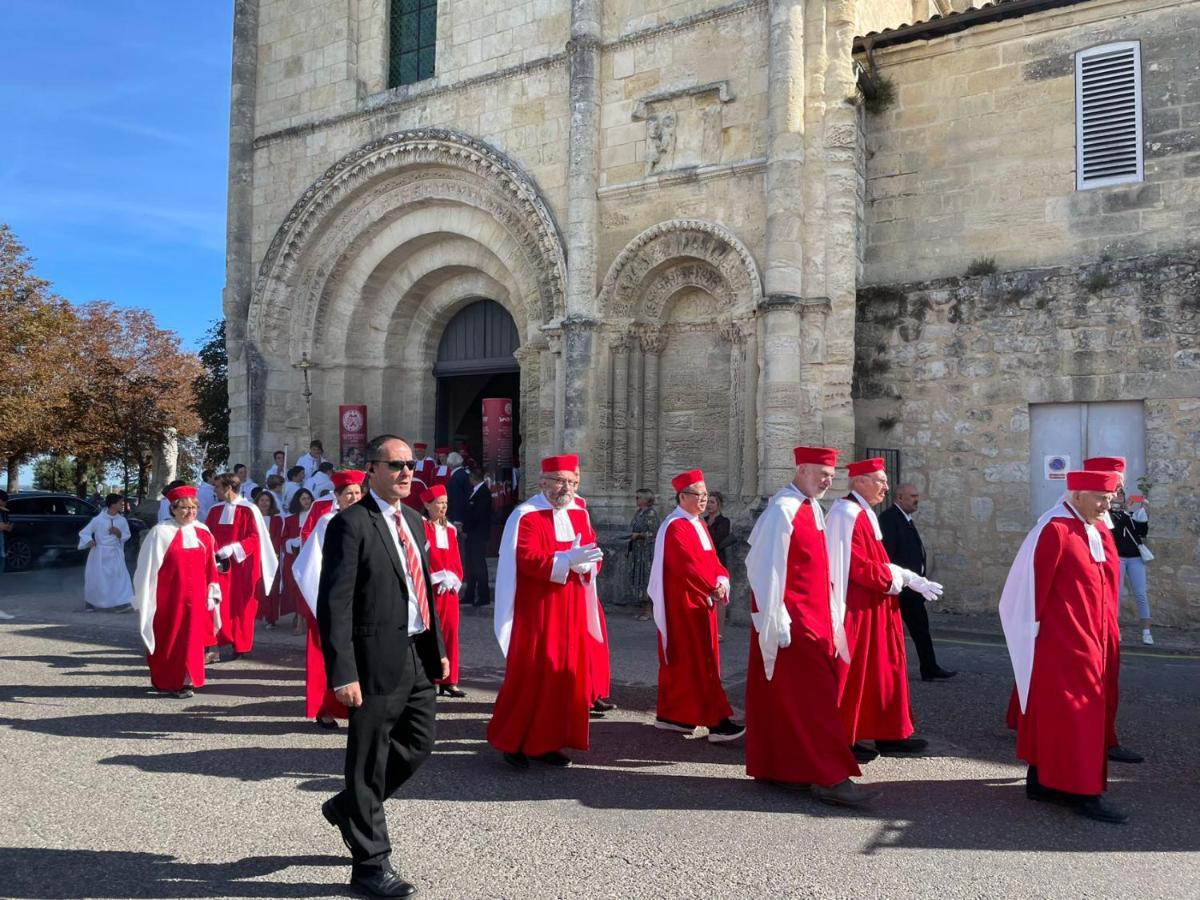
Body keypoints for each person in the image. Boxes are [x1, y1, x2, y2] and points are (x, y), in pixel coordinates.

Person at [317, 436, 446, 898]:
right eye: (396, 465)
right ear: (372, 469)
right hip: (371, 660)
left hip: (415, 653)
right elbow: (335, 604)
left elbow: (421, 590)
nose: (407, 472)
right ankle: (370, 866)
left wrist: (438, 647)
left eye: (411, 465)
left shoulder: (413, 518)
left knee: (419, 742)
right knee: (368, 758)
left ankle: (350, 806)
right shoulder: (350, 524)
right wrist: (343, 671)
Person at [744, 447, 876, 806]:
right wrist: (777, 616)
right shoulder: (783, 510)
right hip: (795, 622)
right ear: (801, 470)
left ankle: (785, 769)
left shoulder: (811, 507)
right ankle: (829, 776)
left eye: (831, 475)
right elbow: (763, 565)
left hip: (815, 616)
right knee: (814, 701)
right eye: (821, 473)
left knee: (788, 699)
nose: (827, 480)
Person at [999, 470, 1127, 823]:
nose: (1108, 504)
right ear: (1077, 495)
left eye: (1110, 496)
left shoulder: (1090, 527)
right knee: (1078, 718)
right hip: (1063, 644)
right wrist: (1035, 640)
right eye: (1101, 497)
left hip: (1088, 639)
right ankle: (1082, 791)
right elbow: (1030, 591)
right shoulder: (1054, 530)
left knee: (1060, 717)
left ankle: (1042, 781)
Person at [487, 454, 604, 770]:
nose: (565, 487)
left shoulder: (579, 513)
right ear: (543, 482)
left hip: (573, 606)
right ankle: (512, 741)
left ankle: (547, 741)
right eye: (558, 480)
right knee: (531, 675)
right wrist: (567, 560)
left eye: (570, 481)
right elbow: (527, 559)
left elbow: (593, 550)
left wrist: (589, 562)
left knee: (563, 678)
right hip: (538, 610)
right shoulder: (527, 516)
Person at [826, 457, 942, 762]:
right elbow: (857, 566)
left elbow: (875, 559)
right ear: (861, 481)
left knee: (885, 670)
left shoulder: (864, 512)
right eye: (881, 481)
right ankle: (846, 737)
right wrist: (899, 577)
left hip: (877, 604)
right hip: (859, 607)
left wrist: (907, 576)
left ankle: (889, 732)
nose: (886, 487)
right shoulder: (846, 513)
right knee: (857, 674)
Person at [647, 469, 743, 742]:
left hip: (701, 602)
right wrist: (712, 587)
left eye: (705, 495)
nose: (703, 499)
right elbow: (686, 567)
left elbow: (711, 559)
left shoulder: (698, 524)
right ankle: (717, 721)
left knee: (694, 661)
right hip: (684, 604)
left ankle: (674, 715)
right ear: (682, 496)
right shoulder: (675, 526)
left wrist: (722, 578)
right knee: (697, 662)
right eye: (698, 495)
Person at [132, 485, 221, 699]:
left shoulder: (203, 532)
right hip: (169, 599)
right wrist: (145, 597)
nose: (189, 512)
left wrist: (212, 590)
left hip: (197, 598)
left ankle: (186, 681)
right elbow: (147, 568)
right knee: (169, 638)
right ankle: (167, 680)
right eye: (184, 508)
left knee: (192, 640)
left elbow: (210, 565)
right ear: (173, 509)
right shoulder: (160, 533)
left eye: (193, 508)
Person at [295, 470, 367, 729]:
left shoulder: (369, 519)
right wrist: (322, 602)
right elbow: (311, 564)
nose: (354, 497)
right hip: (335, 598)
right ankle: (325, 708)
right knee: (329, 655)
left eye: (358, 492)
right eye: (349, 493)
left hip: (362, 600)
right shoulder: (328, 522)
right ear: (337, 496)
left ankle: (357, 707)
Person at [879, 484, 955, 681]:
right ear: (899, 497)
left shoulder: (906, 519)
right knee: (895, 631)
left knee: (920, 629)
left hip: (912, 588)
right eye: (912, 496)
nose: (916, 499)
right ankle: (892, 669)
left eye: (917, 495)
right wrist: (902, 580)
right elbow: (888, 554)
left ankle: (929, 667)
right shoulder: (890, 519)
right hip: (902, 587)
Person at [204, 473, 278, 662]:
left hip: (243, 566)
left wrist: (233, 548)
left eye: (218, 487)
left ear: (229, 488)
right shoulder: (214, 510)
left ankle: (240, 644)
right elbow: (207, 535)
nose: (215, 490)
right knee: (217, 603)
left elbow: (255, 538)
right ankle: (215, 645)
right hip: (220, 565)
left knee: (242, 605)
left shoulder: (249, 509)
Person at [421, 485, 466, 698]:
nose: (443, 507)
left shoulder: (451, 529)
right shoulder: (422, 528)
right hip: (431, 587)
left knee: (451, 632)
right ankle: (430, 677)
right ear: (427, 505)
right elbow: (422, 558)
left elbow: (456, 558)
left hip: (449, 589)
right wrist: (436, 576)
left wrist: (455, 578)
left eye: (445, 503)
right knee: (430, 633)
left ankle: (450, 680)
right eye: (439, 502)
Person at [1110, 488, 1154, 646]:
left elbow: (1142, 532)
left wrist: (1143, 512)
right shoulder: (1108, 514)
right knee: (1117, 595)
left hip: (1135, 558)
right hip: (1118, 558)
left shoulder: (1131, 514)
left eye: (1121, 495)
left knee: (1141, 595)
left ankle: (1146, 632)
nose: (1119, 497)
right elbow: (1114, 531)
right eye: (1116, 495)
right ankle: (1116, 630)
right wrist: (1126, 512)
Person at [77, 493, 134, 611]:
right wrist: (90, 541)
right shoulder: (98, 520)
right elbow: (84, 532)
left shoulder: (122, 520)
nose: (122, 505)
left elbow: (126, 535)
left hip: (115, 553)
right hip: (99, 553)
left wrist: (119, 533)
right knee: (97, 578)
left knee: (119, 577)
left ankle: (122, 603)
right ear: (112, 504)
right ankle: (91, 602)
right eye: (120, 503)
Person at [460, 467, 493, 608]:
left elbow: (477, 515)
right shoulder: (475, 491)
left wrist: (465, 528)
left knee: (479, 566)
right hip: (473, 534)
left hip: (478, 534)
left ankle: (484, 596)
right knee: (471, 566)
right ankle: (469, 594)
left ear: (473, 478)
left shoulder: (483, 492)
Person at [703, 491, 734, 640]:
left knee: (720, 595)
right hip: (704, 560)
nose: (709, 505)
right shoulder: (702, 520)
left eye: (712, 502)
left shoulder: (724, 521)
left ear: (719, 504)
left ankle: (718, 632)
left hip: (718, 560)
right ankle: (707, 629)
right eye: (708, 502)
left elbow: (717, 538)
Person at [253, 491, 287, 627]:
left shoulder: (277, 519)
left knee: (271, 587)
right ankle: (256, 615)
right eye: (262, 500)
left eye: (267, 500)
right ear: (257, 502)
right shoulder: (252, 517)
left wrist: (273, 553)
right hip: (255, 555)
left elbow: (278, 537)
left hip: (272, 556)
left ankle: (270, 618)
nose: (265, 503)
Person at [628, 489, 660, 621]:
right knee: (639, 578)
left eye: (639, 497)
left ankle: (648, 611)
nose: (636, 499)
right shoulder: (639, 512)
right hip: (638, 551)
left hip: (646, 552)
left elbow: (654, 533)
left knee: (646, 578)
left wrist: (639, 535)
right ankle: (643, 609)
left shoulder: (651, 513)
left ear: (646, 499)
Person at [446, 452, 470, 525]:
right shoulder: (464, 474)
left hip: (456, 516)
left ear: (450, 464)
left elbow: (457, 498)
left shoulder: (456, 477)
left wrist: (457, 519)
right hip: (464, 514)